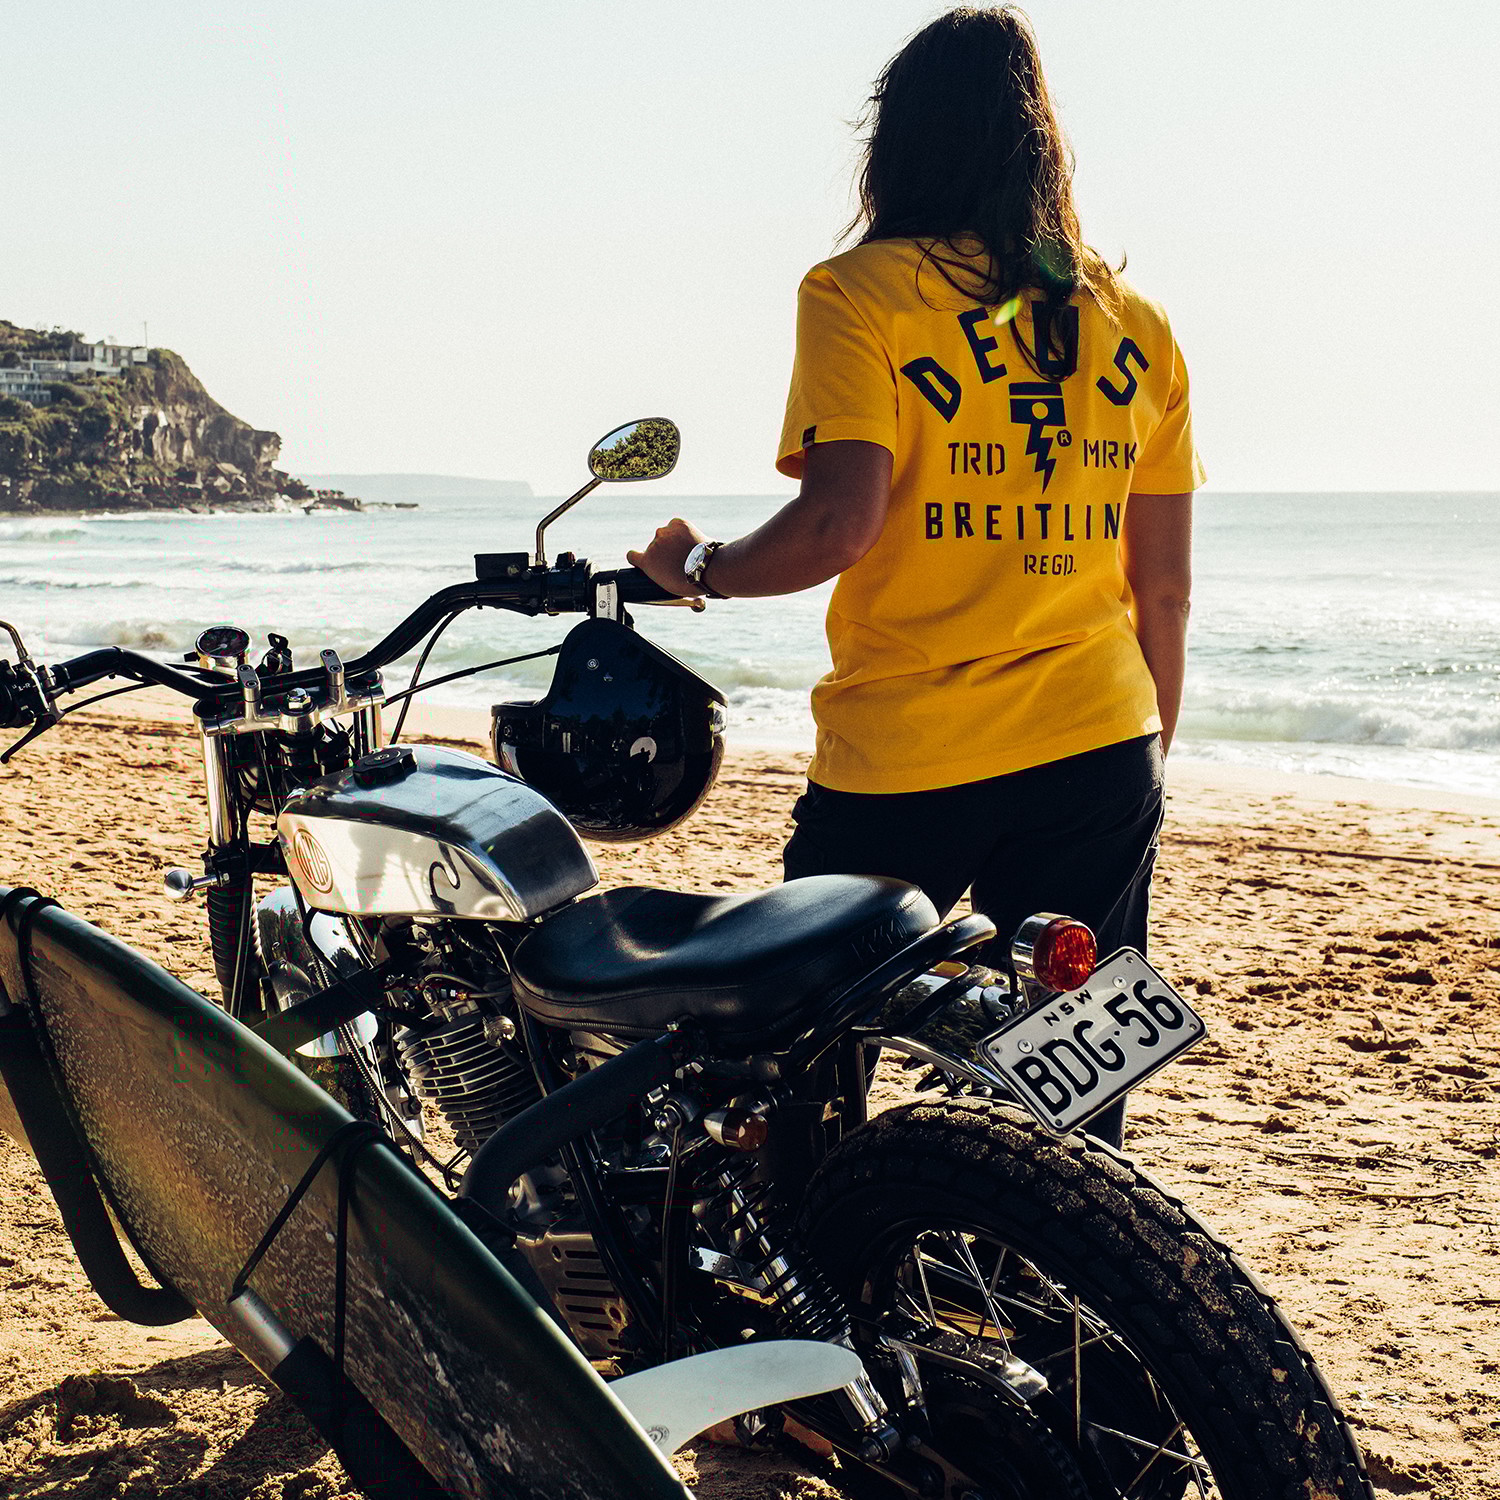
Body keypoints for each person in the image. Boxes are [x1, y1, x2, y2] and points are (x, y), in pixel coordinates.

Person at [628, 5, 1202, 1145]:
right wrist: (1143, 757)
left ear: (897, 141)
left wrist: (695, 568)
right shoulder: (1134, 324)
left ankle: (822, 1246)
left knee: (799, 1055)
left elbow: (838, 525)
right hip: (1099, 740)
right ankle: (1049, 1262)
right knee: (1075, 1085)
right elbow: (1167, 590)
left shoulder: (859, 293)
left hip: (907, 757)